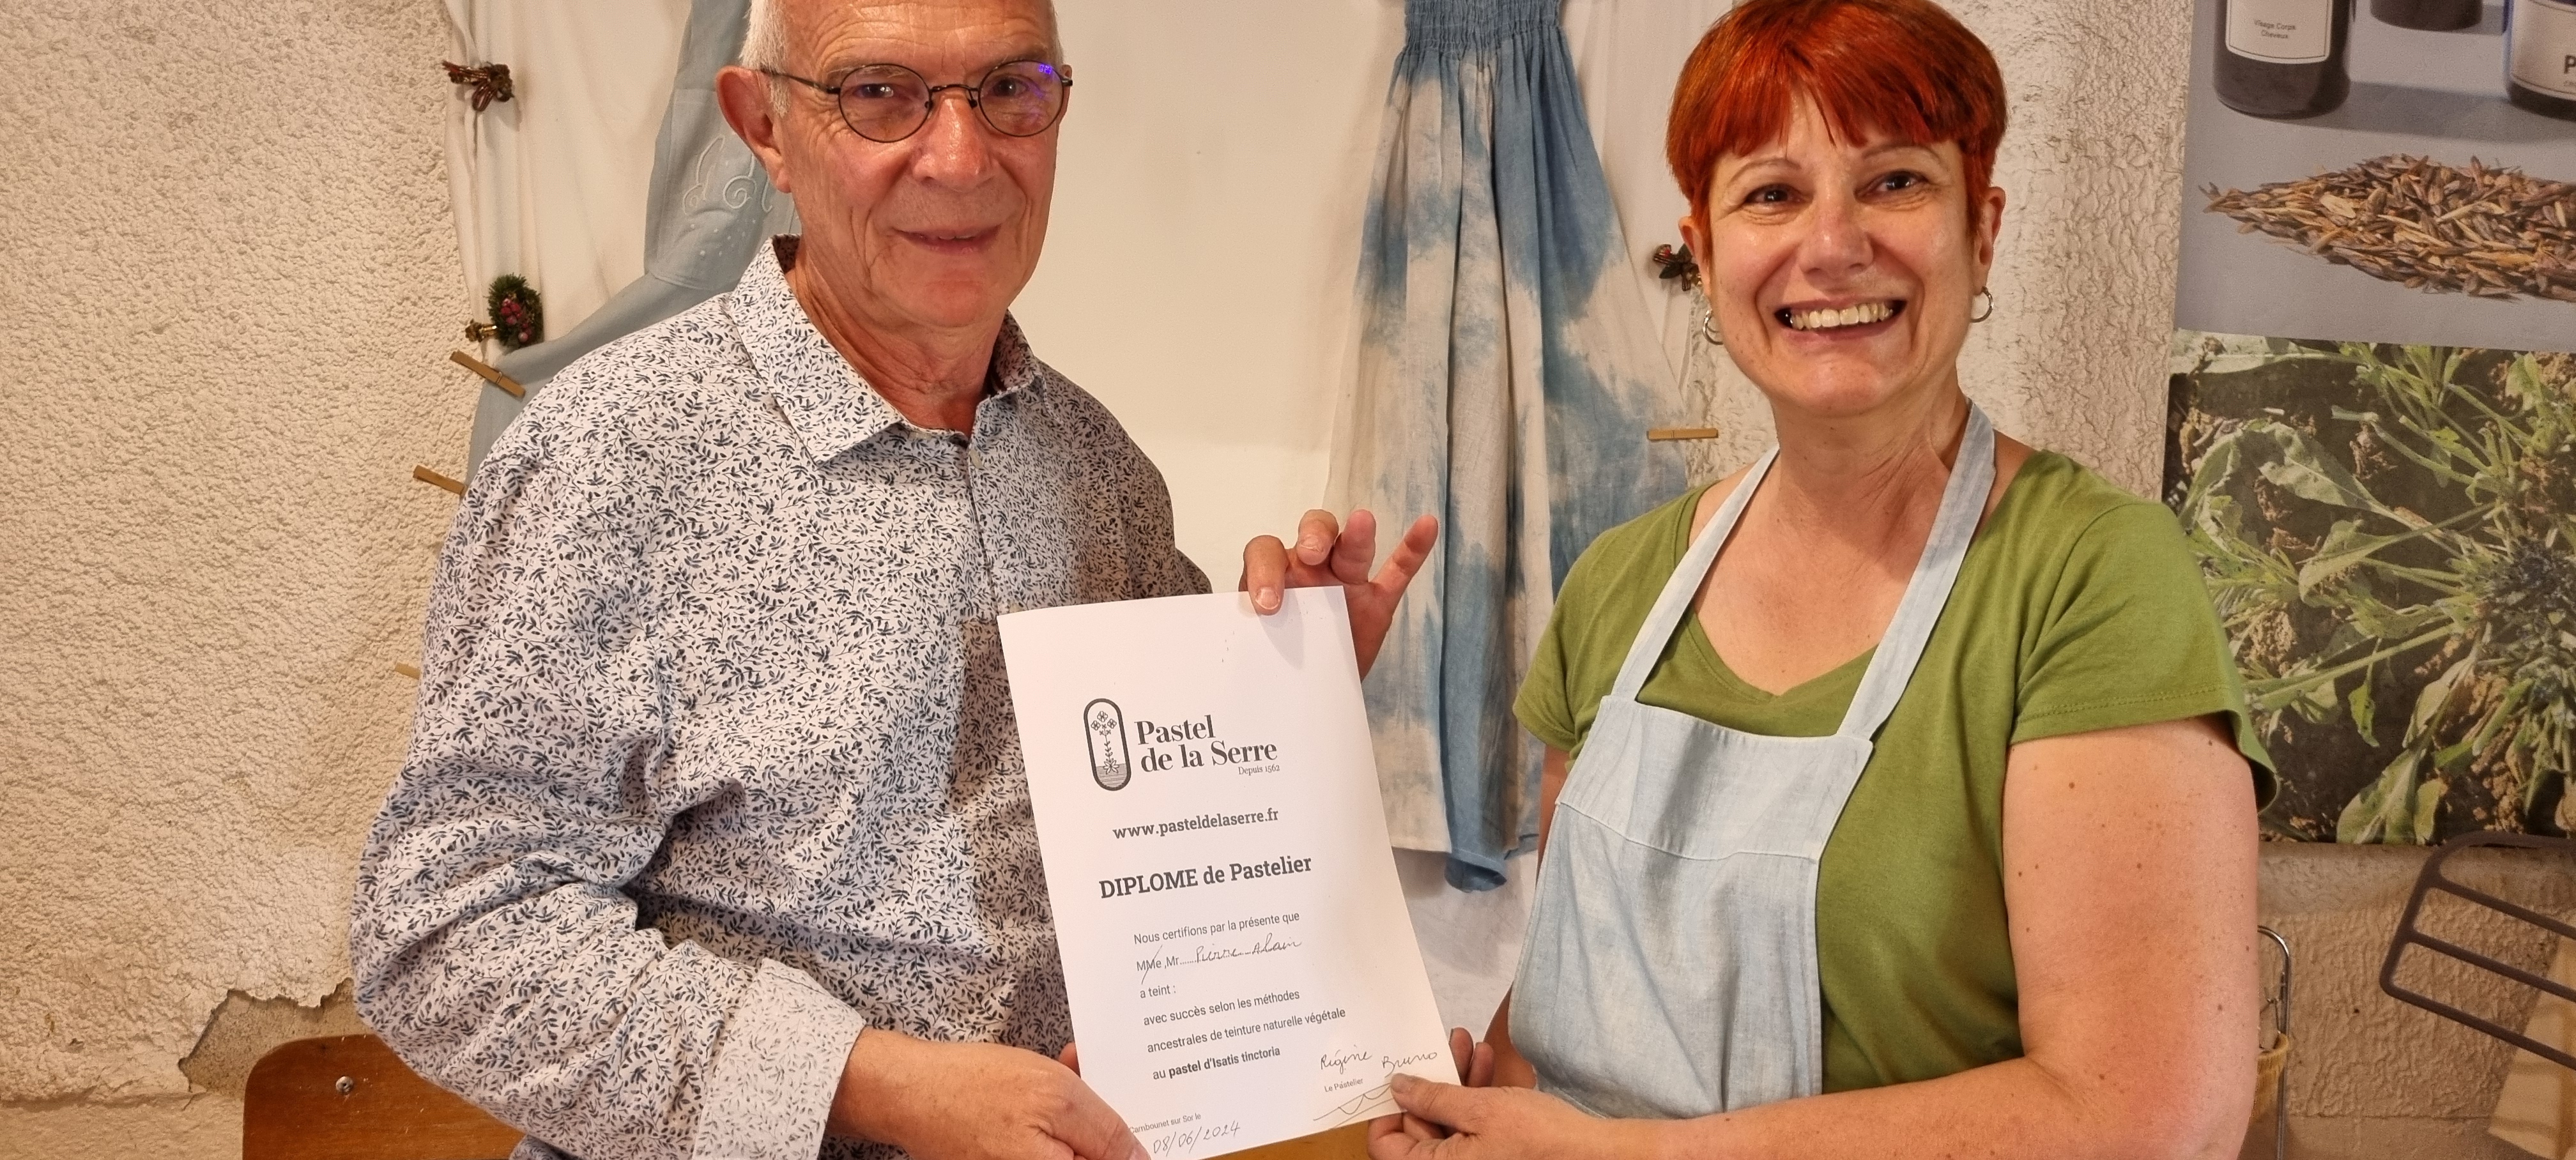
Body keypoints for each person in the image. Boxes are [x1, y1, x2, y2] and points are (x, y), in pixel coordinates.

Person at [348, 2, 1432, 1159]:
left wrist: (1289, 682)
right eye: (880, 92)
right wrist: (860, 1083)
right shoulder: (610, 460)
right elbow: (444, 933)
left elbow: (1158, 837)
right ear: (762, 125)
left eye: (1010, 89)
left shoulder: (1099, 468)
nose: (961, 158)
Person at [1368, 1, 2276, 1157]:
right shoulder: (1620, 587)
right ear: (1703, 251)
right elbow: (1578, 1003)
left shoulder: (2088, 579)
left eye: (1895, 182)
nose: (1833, 243)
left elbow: (2150, 1116)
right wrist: (1486, 1093)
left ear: (1980, 230)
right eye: (1771, 193)